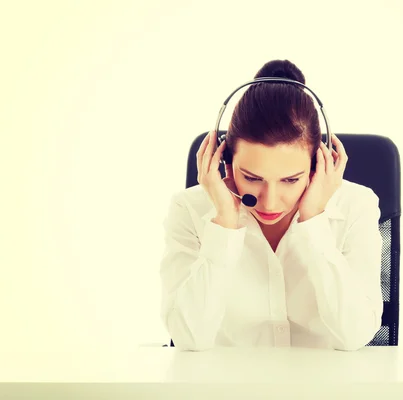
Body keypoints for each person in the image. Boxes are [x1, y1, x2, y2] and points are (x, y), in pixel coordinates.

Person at [159, 59, 383, 351]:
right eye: (252, 178)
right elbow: (189, 339)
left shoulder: (357, 206)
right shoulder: (188, 210)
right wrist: (225, 222)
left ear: (317, 164)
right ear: (223, 159)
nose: (270, 200)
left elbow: (355, 335)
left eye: (291, 180)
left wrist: (314, 220)